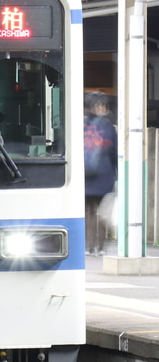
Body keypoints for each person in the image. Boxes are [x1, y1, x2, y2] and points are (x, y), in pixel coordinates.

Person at [84, 91, 117, 255]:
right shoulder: (107, 127)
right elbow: (114, 153)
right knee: (102, 214)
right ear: (99, 106)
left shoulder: (80, 125)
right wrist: (116, 175)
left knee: (88, 212)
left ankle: (88, 247)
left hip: (83, 177)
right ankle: (101, 247)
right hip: (104, 178)